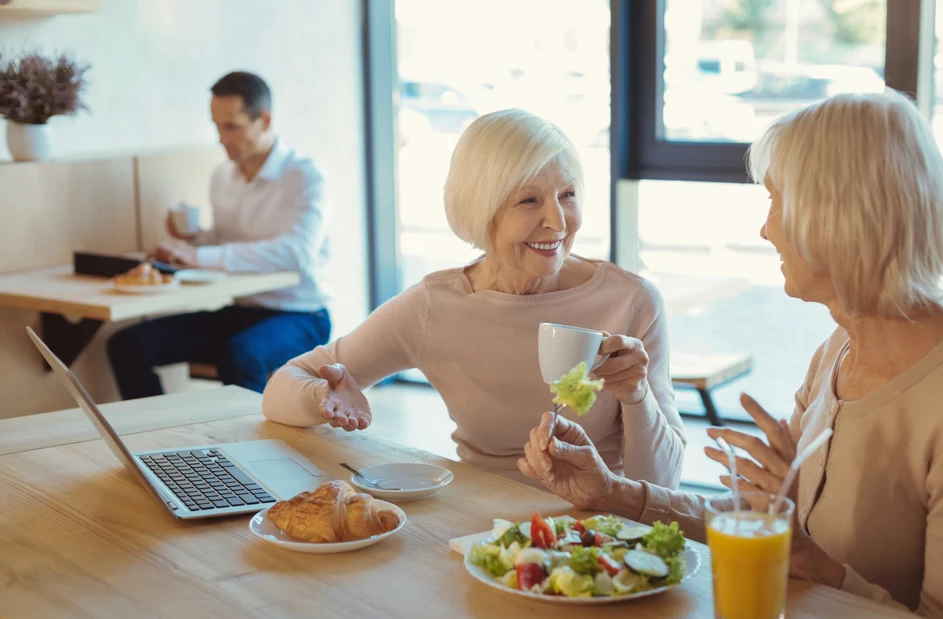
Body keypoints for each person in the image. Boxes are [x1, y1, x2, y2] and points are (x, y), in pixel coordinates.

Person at [517, 89, 943, 619]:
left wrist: (819, 567)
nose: (766, 230)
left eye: (775, 201)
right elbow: (762, 519)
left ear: (836, 216)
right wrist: (614, 495)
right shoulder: (841, 348)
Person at [263, 109, 686, 488]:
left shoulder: (631, 300)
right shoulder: (435, 306)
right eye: (529, 200)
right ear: (483, 211)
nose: (558, 221)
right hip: (481, 531)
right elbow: (281, 390)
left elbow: (662, 484)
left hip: (597, 531)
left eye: (568, 195)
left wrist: (636, 397)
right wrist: (323, 398)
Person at [107, 71, 332, 398]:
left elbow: (295, 254)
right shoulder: (222, 176)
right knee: (128, 345)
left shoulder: (306, 177)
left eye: (231, 126)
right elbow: (229, 243)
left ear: (264, 121)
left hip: (301, 315)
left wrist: (199, 256)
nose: (221, 138)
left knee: (241, 355)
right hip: (241, 311)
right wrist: (193, 240)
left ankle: (249, 448)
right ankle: (161, 441)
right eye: (216, 126)